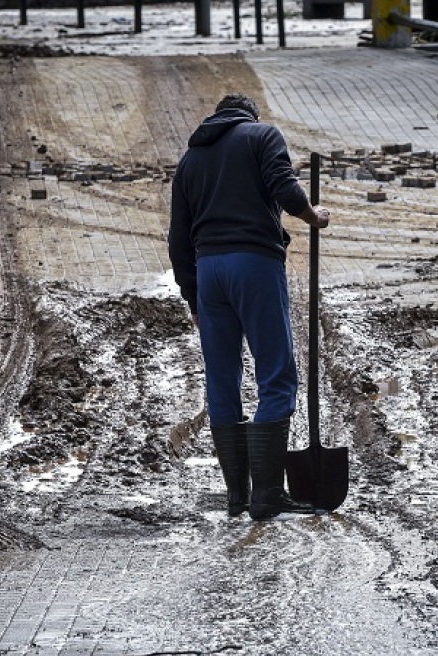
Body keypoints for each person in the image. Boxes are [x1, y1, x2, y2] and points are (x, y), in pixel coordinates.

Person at [168, 93, 331, 521]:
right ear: (249, 115)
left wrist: (192, 296)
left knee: (222, 380)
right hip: (253, 264)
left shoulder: (190, 160)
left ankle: (237, 496)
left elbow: (177, 238)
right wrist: (312, 215)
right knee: (277, 374)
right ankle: (268, 495)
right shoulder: (262, 135)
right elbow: (283, 185)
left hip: (208, 274)